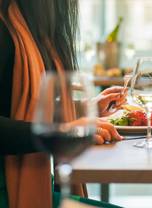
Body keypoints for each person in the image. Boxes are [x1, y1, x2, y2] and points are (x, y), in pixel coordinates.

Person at [0, 0, 127, 207]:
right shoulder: (5, 30)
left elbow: (15, 107)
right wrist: (59, 131)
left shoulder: (30, 29)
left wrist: (85, 109)